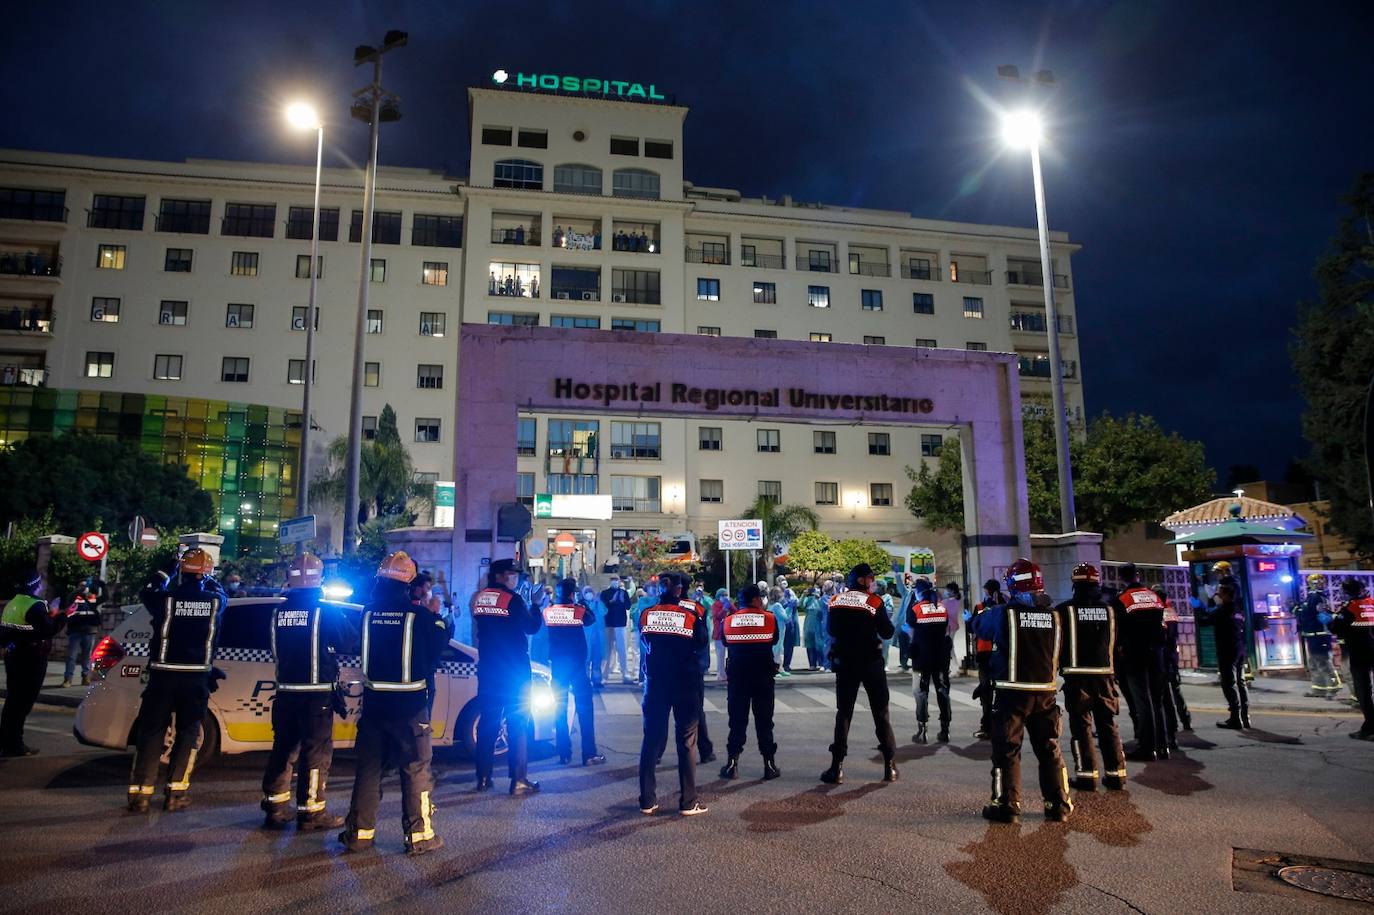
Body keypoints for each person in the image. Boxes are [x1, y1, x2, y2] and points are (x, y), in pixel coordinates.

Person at [338, 552, 448, 855]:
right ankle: (419, 836)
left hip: (374, 707)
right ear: (409, 583)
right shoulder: (420, 616)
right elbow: (438, 647)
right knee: (415, 770)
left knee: (369, 770)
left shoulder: (367, 613)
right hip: (410, 708)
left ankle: (359, 834)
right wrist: (435, 613)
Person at [126, 548, 227, 811]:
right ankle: (175, 794)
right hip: (195, 679)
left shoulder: (165, 599)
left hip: (162, 676)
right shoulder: (215, 601)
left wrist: (168, 569)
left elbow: (148, 589)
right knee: (187, 734)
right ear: (206, 573)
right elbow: (222, 592)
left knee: (151, 733)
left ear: (181, 571)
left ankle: (140, 796)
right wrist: (208, 578)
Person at [974, 558, 1073, 824]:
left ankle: (1007, 806)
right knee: (1049, 750)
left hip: (1011, 694)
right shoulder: (1056, 616)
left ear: (1012, 586)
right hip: (1045, 693)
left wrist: (991, 608)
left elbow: (978, 626)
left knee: (1007, 751)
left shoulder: (1002, 613)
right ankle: (1058, 806)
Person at [261, 552, 353, 830]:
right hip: (316, 696)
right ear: (319, 579)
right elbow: (348, 640)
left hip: (285, 693)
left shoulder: (278, 612)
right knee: (316, 753)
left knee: (283, 748)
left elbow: (274, 649)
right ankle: (311, 812)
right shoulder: (325, 610)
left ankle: (275, 807)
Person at [637, 572, 710, 816]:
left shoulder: (647, 614)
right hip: (684, 682)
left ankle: (647, 800)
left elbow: (645, 640)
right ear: (679, 590)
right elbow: (701, 643)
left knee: (651, 740)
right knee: (686, 741)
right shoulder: (690, 615)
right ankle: (688, 801)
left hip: (656, 683)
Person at [821, 563, 898, 785]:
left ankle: (836, 768)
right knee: (880, 713)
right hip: (871, 662)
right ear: (863, 580)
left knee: (844, 713)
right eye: (871, 578)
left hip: (846, 662)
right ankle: (890, 766)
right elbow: (887, 631)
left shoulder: (836, 601)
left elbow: (831, 630)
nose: (872, 582)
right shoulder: (874, 602)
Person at [471, 558, 543, 795]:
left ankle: (483, 778)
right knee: (518, 722)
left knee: (488, 723)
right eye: (512, 574)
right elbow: (531, 627)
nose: (515, 578)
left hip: (489, 669)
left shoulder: (479, 598)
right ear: (499, 576)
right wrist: (535, 605)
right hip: (514, 672)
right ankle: (518, 779)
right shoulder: (513, 599)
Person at [1057, 564, 1127, 791]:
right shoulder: (1111, 610)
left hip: (1077, 677)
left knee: (1081, 727)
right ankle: (1116, 776)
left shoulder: (1064, 610)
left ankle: (1087, 776)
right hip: (1105, 676)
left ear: (1074, 585)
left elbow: (1057, 644)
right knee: (1108, 724)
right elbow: (1119, 642)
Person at [1, 570, 65, 757]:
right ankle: (14, 744)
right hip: (31, 659)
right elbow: (47, 630)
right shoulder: (35, 605)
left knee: (13, 701)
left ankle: (6, 741)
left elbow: (9, 632)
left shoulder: (13, 603)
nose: (42, 586)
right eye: (40, 583)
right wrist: (62, 615)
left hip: (14, 656)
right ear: (36, 585)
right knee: (23, 702)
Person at [720, 584, 781, 780]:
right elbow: (774, 640)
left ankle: (732, 764)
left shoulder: (728, 620)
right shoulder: (769, 618)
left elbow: (725, 642)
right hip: (763, 678)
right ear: (756, 599)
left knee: (737, 722)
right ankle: (769, 765)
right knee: (764, 722)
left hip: (738, 679)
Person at [1111, 564, 1170, 762]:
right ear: (1137, 575)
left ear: (1121, 578)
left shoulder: (1122, 599)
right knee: (1157, 701)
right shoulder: (1154, 597)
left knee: (1142, 702)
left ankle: (1147, 747)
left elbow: (1118, 632)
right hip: (1157, 654)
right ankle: (1163, 746)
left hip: (1134, 655)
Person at [544, 578, 606, 766]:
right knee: (585, 709)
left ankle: (564, 753)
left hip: (558, 667)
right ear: (572, 594)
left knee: (559, 709)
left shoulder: (549, 611)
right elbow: (591, 620)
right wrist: (582, 603)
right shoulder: (578, 610)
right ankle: (589, 754)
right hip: (577, 666)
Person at [907, 578, 952, 744]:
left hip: (922, 657)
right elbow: (946, 630)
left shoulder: (916, 609)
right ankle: (945, 730)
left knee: (920, 691)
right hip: (940, 657)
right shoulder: (942, 607)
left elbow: (911, 633)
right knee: (943, 691)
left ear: (919, 592)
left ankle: (923, 729)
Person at [1202, 580, 1251, 730]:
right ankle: (1245, 717)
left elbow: (1204, 620)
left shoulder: (1222, 611)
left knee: (1229, 684)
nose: (1218, 595)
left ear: (1226, 595)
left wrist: (1202, 605)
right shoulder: (1238, 610)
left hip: (1227, 651)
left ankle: (1235, 718)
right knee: (1241, 683)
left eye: (1220, 593)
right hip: (1240, 649)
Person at [1329, 578, 1374, 740]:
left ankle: (1369, 728)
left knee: (1363, 691)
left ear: (1347, 592)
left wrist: (1330, 618)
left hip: (1359, 652)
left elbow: (1335, 628)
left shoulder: (1349, 607)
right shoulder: (1371, 603)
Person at [1297, 575, 1341, 699]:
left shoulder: (1317, 597)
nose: (1320, 584)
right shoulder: (1311, 597)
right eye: (1317, 582)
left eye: (1321, 582)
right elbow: (1307, 615)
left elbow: (1322, 616)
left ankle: (1333, 687)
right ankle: (1319, 689)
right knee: (1314, 663)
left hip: (1320, 635)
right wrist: (1296, 610)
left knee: (1324, 662)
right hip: (1312, 635)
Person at [970, 579, 1004, 739]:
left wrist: (970, 620)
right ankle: (996, 726)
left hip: (988, 653)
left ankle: (989, 727)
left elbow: (974, 626)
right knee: (997, 692)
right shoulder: (1006, 605)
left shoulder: (983, 607)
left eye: (985, 591)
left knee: (988, 693)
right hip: (998, 654)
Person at [62, 581, 102, 687]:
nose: (84, 587)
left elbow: (102, 599)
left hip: (89, 631)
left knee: (87, 656)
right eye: (81, 585)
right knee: (71, 656)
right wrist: (79, 591)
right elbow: (70, 601)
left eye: (85, 586)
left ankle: (85, 677)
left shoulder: (92, 598)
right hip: (75, 631)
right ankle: (68, 679)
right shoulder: (73, 597)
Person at [600, 576, 632, 684]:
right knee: (607, 650)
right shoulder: (605, 593)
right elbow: (603, 606)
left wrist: (623, 600)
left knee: (622, 649)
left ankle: (625, 673)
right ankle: (604, 674)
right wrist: (611, 601)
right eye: (613, 580)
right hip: (608, 623)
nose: (615, 582)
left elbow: (628, 606)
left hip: (620, 624)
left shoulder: (623, 593)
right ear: (610, 581)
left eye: (616, 580)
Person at [801, 585, 826, 671]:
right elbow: (800, 605)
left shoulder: (821, 600)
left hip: (818, 625)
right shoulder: (808, 600)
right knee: (809, 645)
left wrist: (819, 599)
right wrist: (804, 595)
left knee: (819, 645)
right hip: (808, 625)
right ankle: (812, 664)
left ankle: (822, 663)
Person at [711, 588, 731, 680]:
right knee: (720, 655)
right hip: (719, 633)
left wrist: (729, 605)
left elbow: (735, 611)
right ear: (718, 596)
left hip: (728, 633)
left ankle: (726, 673)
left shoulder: (728, 604)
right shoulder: (715, 605)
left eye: (726, 595)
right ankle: (720, 674)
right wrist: (724, 609)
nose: (725, 597)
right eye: (723, 595)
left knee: (730, 654)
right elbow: (718, 616)